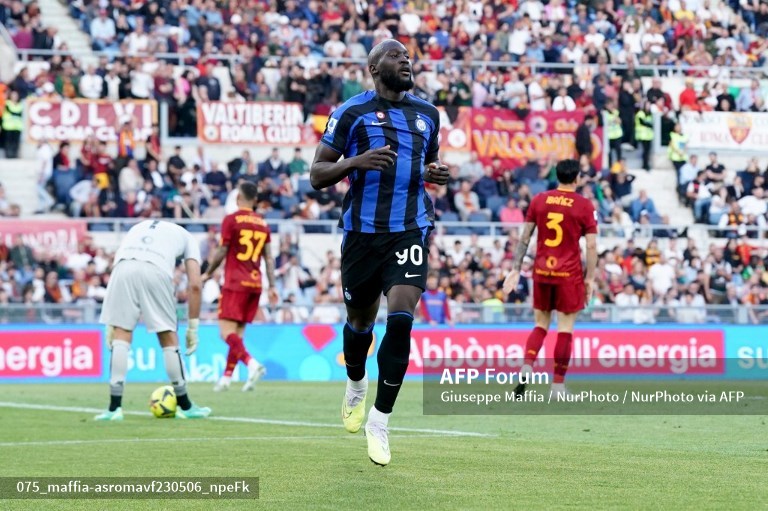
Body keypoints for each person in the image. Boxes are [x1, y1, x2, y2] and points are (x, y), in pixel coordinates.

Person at [309, 39, 449, 466]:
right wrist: (356, 162)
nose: (406, 60)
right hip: (362, 236)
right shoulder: (351, 113)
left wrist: (433, 173)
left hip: (409, 229)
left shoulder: (428, 114)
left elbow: (427, 163)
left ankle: (381, 421)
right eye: (395, 55)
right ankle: (355, 383)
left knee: (402, 320)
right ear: (373, 67)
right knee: (360, 324)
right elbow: (317, 174)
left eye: (408, 56)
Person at [95, 220, 210, 420]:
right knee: (167, 336)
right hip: (155, 268)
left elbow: (118, 260)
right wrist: (193, 327)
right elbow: (195, 285)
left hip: (122, 268)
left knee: (121, 334)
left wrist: (112, 322)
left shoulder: (138, 226)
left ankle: (114, 409)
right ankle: (186, 405)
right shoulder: (188, 237)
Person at [502, 159, 598, 400]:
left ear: (557, 176)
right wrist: (590, 279)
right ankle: (557, 386)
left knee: (540, 325)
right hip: (569, 274)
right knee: (565, 328)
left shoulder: (540, 199)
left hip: (542, 271)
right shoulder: (584, 205)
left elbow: (524, 237)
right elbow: (592, 245)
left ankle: (526, 368)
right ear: (577, 178)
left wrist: (515, 269)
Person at [203, 182, 278, 392]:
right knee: (238, 334)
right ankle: (226, 377)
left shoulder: (231, 220)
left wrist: (207, 273)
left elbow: (222, 250)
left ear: (238, 199)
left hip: (235, 283)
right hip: (256, 284)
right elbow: (269, 258)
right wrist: (272, 286)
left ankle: (252, 364)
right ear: (255, 201)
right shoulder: (263, 223)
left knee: (225, 333)